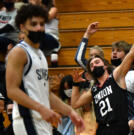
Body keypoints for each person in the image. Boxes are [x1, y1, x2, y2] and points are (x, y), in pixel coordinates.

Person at [6, 4, 84, 135]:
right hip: (27, 119)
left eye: (42, 24)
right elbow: (12, 90)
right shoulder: (19, 52)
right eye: (34, 24)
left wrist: (70, 112)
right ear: (22, 27)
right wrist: (41, 108)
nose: (39, 28)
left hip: (43, 120)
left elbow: (46, 94)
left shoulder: (40, 54)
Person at [71, 19, 134, 135]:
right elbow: (75, 104)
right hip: (102, 129)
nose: (94, 65)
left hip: (119, 127)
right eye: (91, 65)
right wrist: (75, 84)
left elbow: (131, 54)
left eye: (97, 62)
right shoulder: (94, 89)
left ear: (105, 66)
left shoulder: (116, 77)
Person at [110, 41, 134, 134]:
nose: (114, 52)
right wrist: (87, 35)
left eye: (118, 50)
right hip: (107, 125)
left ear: (127, 55)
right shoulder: (105, 75)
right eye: (112, 50)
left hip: (126, 124)